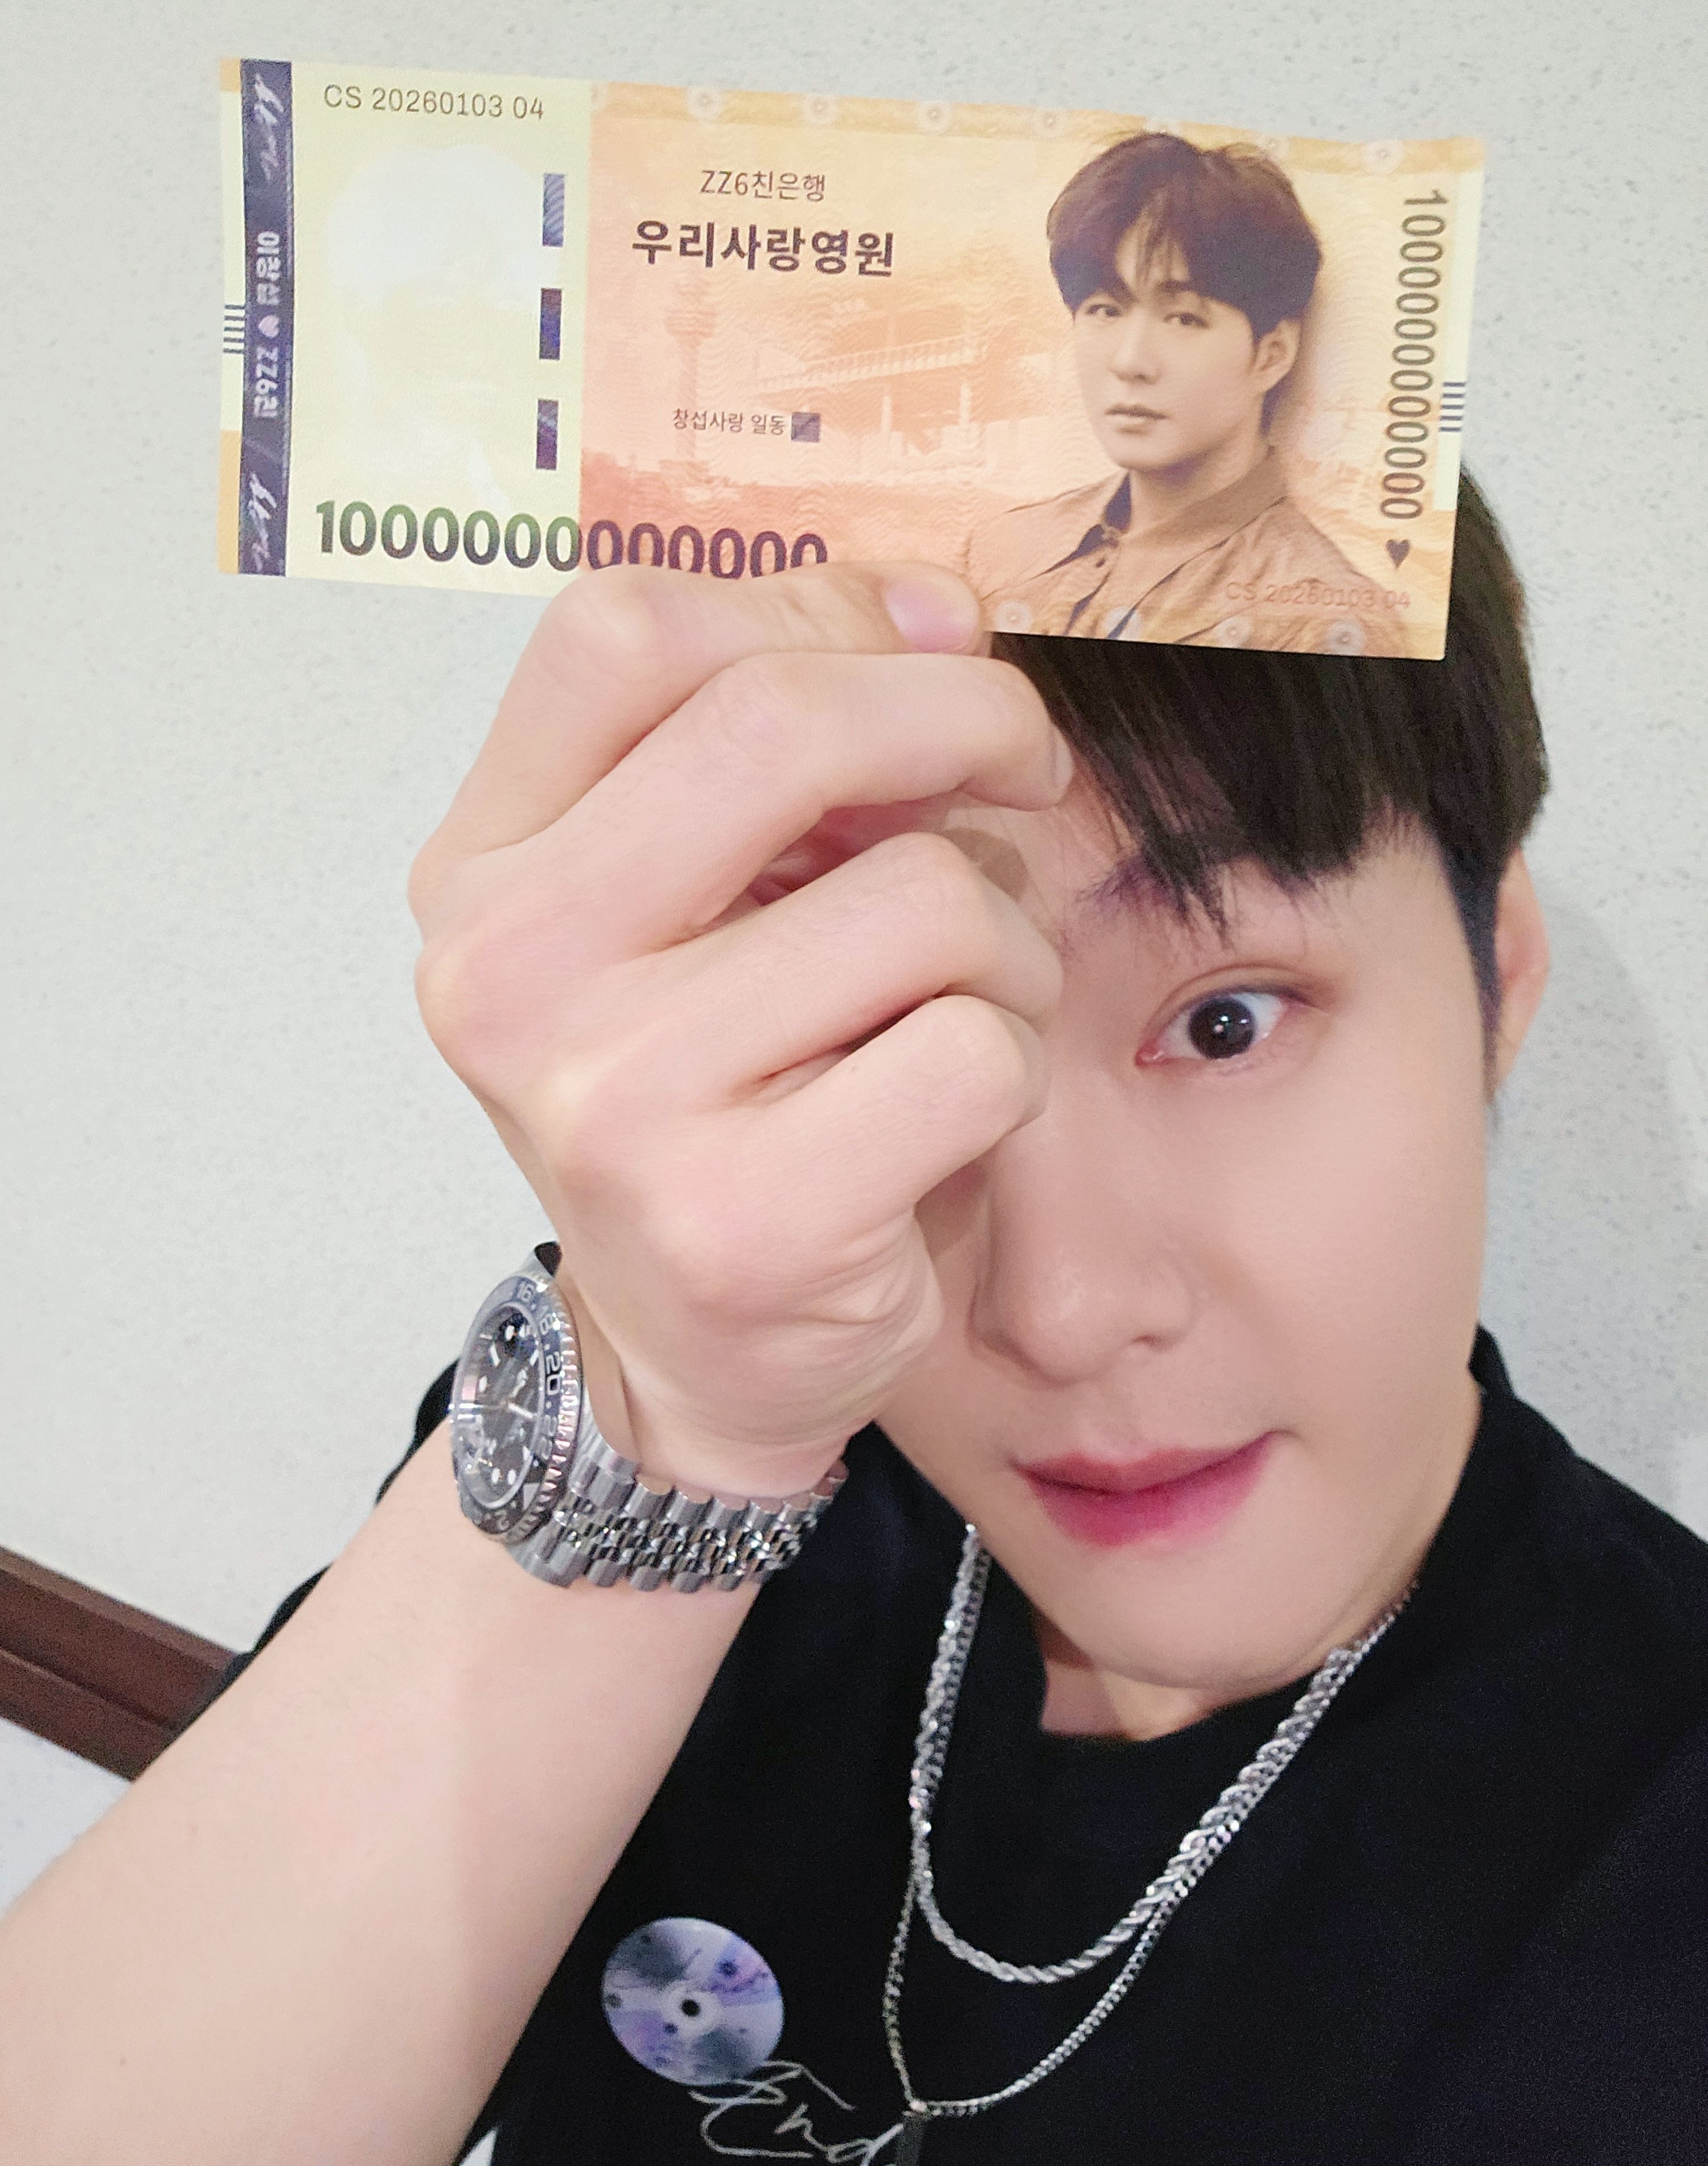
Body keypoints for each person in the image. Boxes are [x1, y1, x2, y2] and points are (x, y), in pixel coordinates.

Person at [5, 478, 1708, 2166]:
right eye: (874, 1037)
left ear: (1497, 981)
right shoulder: (663, 1437)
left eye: (1226, 1021)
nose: (1059, 1312)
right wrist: (679, 1412)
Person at [967, 130, 1409, 654]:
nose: (1129, 362)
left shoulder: (1322, 620)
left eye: (1183, 318)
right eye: (1105, 310)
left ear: (1271, 356)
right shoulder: (999, 549)